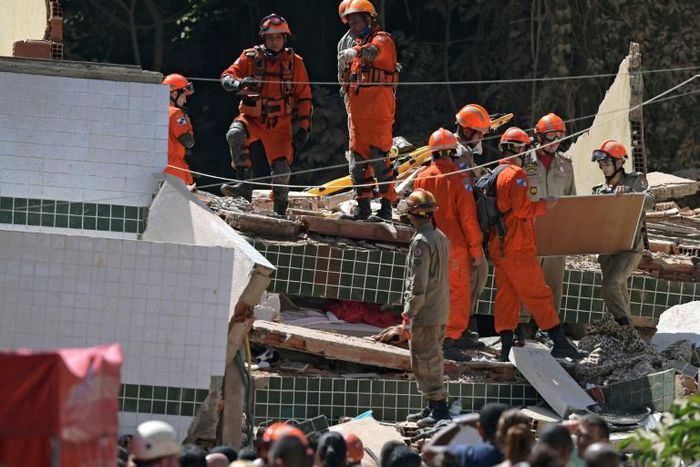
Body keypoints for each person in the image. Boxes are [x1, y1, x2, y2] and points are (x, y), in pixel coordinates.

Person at [490, 127, 585, 361]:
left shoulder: (496, 172)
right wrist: (545, 205)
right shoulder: (516, 174)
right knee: (539, 294)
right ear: (520, 148)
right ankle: (560, 342)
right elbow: (523, 209)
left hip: (499, 245)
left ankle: (505, 348)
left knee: (507, 295)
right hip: (517, 245)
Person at [220, 14, 313, 216]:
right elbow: (226, 76)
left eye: (278, 37)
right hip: (252, 117)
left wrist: (304, 127)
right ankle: (243, 186)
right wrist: (240, 83)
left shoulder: (295, 63)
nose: (274, 41)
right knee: (234, 134)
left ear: (285, 38)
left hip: (280, 124)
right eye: (270, 37)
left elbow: (304, 97)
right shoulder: (250, 57)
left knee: (281, 171)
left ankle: (280, 210)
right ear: (263, 37)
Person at [414, 128, 485, 358]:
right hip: (453, 245)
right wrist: (476, 249)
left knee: (432, 290)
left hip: (427, 242)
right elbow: (468, 218)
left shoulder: (421, 177)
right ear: (452, 152)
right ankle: (450, 340)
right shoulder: (458, 179)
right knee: (456, 293)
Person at [338, 0, 399, 220]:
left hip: (378, 113)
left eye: (356, 21)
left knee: (379, 160)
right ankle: (362, 208)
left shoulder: (382, 40)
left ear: (368, 19)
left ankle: (386, 208)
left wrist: (353, 51)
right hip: (358, 118)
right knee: (357, 163)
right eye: (350, 23)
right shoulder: (355, 49)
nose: (353, 27)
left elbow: (373, 52)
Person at [400, 188, 451, 427]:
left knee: (425, 360)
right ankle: (432, 406)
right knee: (430, 357)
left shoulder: (421, 242)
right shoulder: (440, 236)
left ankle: (439, 409)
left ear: (413, 214)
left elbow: (417, 283)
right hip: (439, 308)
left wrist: (409, 314)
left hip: (425, 312)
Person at [591, 139, 655, 325]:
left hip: (629, 247)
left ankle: (623, 326)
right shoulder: (599, 191)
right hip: (607, 249)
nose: (603, 168)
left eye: (607, 163)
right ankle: (627, 331)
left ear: (619, 163)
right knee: (618, 287)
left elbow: (650, 200)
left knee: (610, 283)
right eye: (601, 164)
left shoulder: (635, 181)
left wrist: (630, 194)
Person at [522, 113, 575, 319]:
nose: (555, 142)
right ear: (540, 136)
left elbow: (572, 199)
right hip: (529, 230)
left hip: (555, 233)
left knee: (553, 281)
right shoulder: (525, 161)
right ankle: (524, 323)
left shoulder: (565, 165)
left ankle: (550, 325)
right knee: (529, 279)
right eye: (551, 136)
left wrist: (569, 232)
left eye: (559, 137)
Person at [453, 104, 491, 320]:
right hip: (459, 227)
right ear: (468, 131)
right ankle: (459, 328)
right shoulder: (461, 155)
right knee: (477, 274)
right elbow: (465, 199)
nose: (481, 140)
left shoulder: (449, 147)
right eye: (480, 134)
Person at [445, 403, 509, 467]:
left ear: (480, 430)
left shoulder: (464, 455)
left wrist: (460, 424)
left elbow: (435, 451)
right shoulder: (517, 456)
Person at [163, 73, 195, 186]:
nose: (185, 101)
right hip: (175, 170)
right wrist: (188, 124)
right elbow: (188, 141)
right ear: (175, 93)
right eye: (184, 96)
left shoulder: (158, 111)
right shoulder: (176, 113)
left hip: (163, 168)